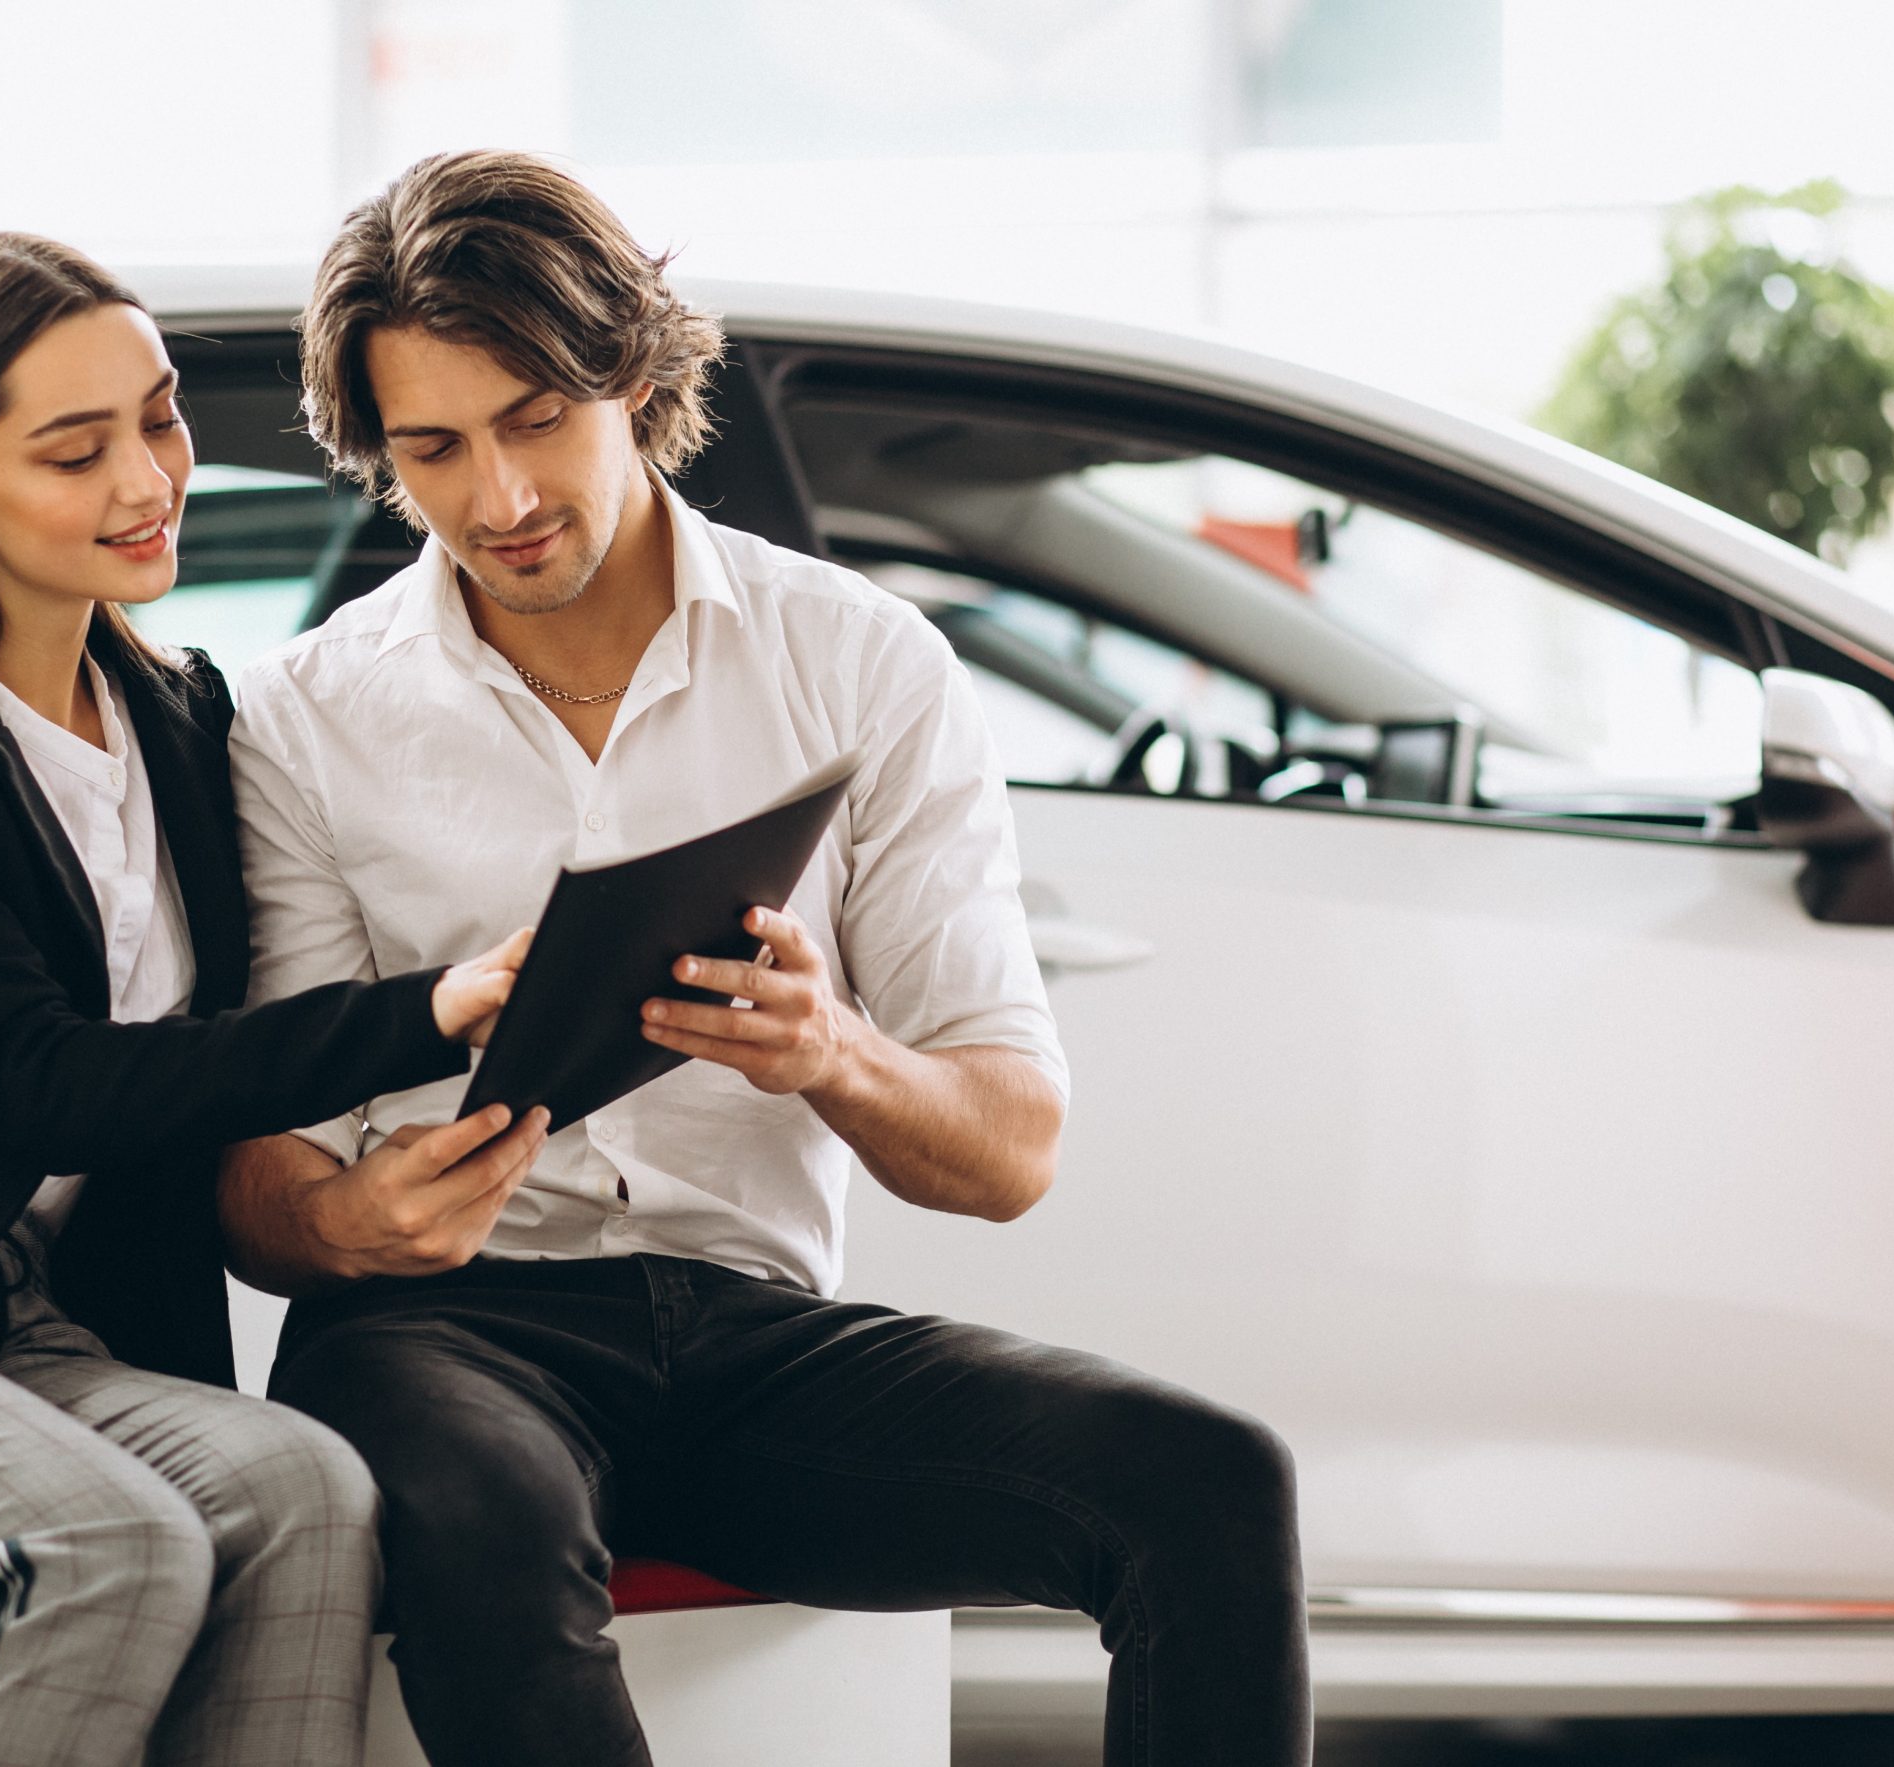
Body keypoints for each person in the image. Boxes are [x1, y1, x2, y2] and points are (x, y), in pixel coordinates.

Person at [220, 152, 1310, 1767]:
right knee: (485, 1524)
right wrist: (346, 1221)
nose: (499, 501)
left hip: (748, 1335)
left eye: (536, 420)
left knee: (1209, 1480)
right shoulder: (304, 718)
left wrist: (829, 1052)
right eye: (433, 449)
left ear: (636, 379)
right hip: (444, 1334)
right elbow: (259, 1185)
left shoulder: (862, 664)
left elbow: (1010, 1153)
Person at [0, 231, 548, 1767]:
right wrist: (427, 1010)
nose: (150, 479)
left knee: (306, 1492)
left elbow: (207, 1078)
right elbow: (43, 1079)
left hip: (28, 1324)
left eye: (160, 418)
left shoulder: (183, 714)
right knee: (102, 1548)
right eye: (77, 451)